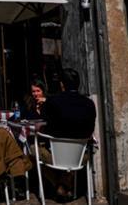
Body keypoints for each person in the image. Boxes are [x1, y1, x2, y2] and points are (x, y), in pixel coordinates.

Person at [38, 68, 96, 202]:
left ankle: (60, 185)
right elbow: (90, 130)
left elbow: (44, 124)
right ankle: (65, 183)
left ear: (62, 84)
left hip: (56, 156)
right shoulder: (89, 104)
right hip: (79, 156)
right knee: (85, 154)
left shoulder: (52, 102)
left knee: (33, 151)